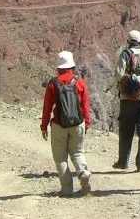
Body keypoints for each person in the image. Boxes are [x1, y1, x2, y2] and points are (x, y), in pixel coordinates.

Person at [39, 50, 92, 197]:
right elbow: (85, 105)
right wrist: (86, 123)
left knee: (60, 158)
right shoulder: (80, 81)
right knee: (78, 152)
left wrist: (44, 126)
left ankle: (67, 189)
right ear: (72, 65)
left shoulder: (53, 83)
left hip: (58, 125)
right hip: (77, 124)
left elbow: (47, 107)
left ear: (59, 67)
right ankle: (83, 173)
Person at [112, 29, 140, 172]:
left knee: (126, 129)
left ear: (128, 41)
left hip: (127, 98)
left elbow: (118, 74)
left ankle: (123, 162)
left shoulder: (125, 54)